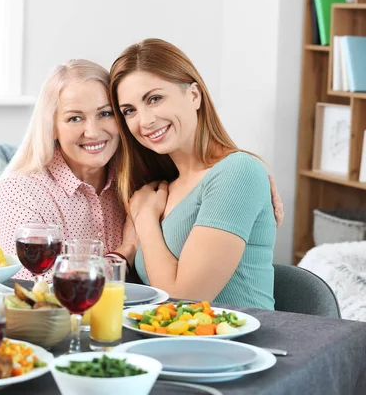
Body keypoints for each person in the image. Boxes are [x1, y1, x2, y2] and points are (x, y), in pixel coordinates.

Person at [110, 38, 278, 309]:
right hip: (170, 341)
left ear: (194, 95)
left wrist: (145, 221)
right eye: (129, 111)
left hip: (237, 345)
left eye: (155, 99)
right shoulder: (155, 190)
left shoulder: (237, 172)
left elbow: (184, 298)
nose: (144, 121)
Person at [0, 59, 132, 282]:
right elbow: (34, 285)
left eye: (105, 113)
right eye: (75, 118)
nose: (92, 132)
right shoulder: (19, 191)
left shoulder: (132, 183)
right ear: (52, 127)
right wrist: (124, 252)